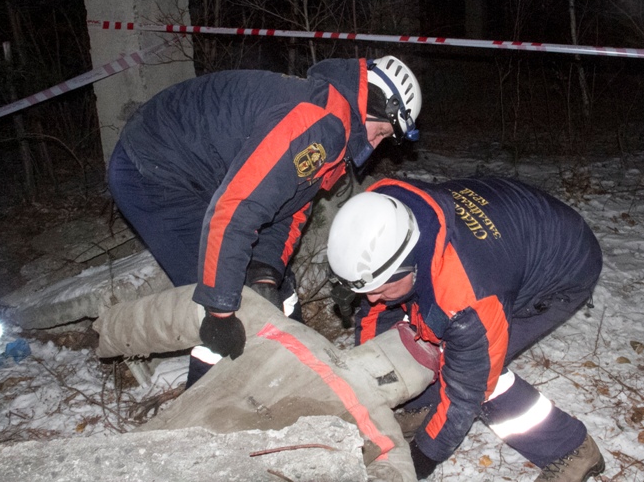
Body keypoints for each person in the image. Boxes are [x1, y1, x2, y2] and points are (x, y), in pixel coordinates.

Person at [106, 55, 422, 386]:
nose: (374, 145)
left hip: (198, 172)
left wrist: (268, 270)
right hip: (151, 169)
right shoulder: (320, 122)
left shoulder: (335, 121)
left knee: (273, 289)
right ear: (373, 102)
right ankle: (208, 419)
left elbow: (291, 206)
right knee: (224, 305)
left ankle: (295, 379)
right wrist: (220, 309)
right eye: (380, 132)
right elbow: (236, 209)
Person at [326, 177, 605, 482]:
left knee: (483, 373)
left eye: (383, 288)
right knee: (422, 328)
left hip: (563, 264)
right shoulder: (380, 222)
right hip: (515, 224)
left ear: (410, 264)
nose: (372, 299)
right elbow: (375, 314)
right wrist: (368, 388)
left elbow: (467, 390)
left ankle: (570, 449)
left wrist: (421, 459)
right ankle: (422, 406)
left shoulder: (466, 295)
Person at [93, 283, 440, 482]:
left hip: (137, 458)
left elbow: (180, 310)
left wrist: (109, 329)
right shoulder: (380, 429)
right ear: (406, 391)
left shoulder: (278, 328)